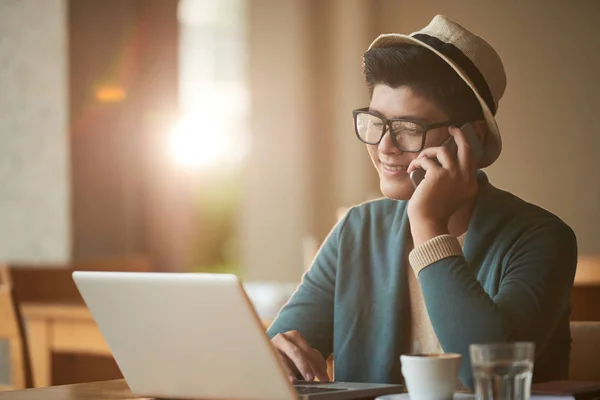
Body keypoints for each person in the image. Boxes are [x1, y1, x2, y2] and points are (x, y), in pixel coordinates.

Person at [266, 15, 577, 389]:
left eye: (408, 128)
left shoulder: (542, 239)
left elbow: (488, 375)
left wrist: (428, 225)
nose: (384, 146)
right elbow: (283, 349)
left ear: (470, 138)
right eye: (375, 122)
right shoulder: (359, 229)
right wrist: (275, 354)